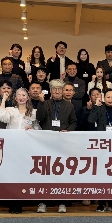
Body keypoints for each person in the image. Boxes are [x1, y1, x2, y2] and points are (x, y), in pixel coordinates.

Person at [0, 87, 39, 213]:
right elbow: (0, 116)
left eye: (24, 95)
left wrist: (32, 129)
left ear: (28, 97)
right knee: (11, 176)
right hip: (11, 147)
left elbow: (38, 129)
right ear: (15, 98)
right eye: (19, 95)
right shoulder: (11, 110)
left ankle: (19, 203)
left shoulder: (34, 112)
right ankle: (11, 203)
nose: (21, 97)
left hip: (25, 148)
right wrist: (4, 99)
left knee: (22, 176)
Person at [36, 79, 76, 214]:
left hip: (62, 143)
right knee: (46, 173)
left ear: (63, 91)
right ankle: (43, 202)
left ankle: (62, 202)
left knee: (61, 173)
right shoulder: (45, 103)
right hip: (46, 143)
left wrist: (68, 131)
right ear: (51, 91)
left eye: (59, 89)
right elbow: (40, 118)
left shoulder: (69, 106)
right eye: (54, 89)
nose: (57, 91)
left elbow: (73, 122)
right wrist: (41, 103)